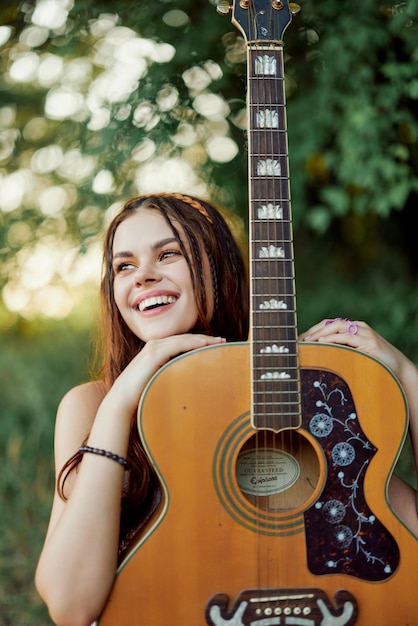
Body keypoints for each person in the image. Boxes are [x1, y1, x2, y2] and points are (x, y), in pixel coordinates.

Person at [35, 193, 418, 626]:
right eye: (124, 266)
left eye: (168, 253)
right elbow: (70, 606)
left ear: (218, 268)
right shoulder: (91, 406)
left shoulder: (311, 397)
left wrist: (407, 375)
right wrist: (121, 402)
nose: (142, 276)